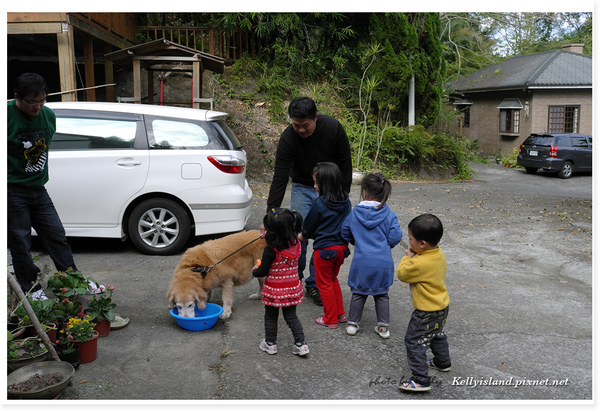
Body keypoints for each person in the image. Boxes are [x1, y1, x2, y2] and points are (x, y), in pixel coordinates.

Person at [266, 97, 352, 306]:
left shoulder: (333, 128)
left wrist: (343, 195)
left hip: (331, 189)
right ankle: (294, 279)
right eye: (296, 125)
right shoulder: (289, 138)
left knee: (327, 239)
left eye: (305, 125)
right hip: (303, 187)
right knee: (299, 236)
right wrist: (271, 215)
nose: (301, 130)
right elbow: (280, 176)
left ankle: (315, 285)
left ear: (315, 117)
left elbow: (345, 163)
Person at [7, 72, 78, 298]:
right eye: (32, 102)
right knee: (20, 242)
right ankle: (31, 289)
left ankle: (72, 280)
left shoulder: (48, 115)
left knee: (57, 235)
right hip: (11, 190)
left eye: (42, 100)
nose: (38, 106)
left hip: (39, 189)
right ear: (17, 97)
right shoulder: (6, 116)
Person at [340, 173, 403, 338]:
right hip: (383, 262)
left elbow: (344, 231)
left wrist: (357, 241)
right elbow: (396, 236)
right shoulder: (389, 214)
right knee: (382, 294)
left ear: (364, 192)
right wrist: (385, 245)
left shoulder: (355, 213)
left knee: (359, 293)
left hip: (361, 261)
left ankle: (353, 324)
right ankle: (383, 327)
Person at [396, 214, 451, 392]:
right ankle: (442, 362)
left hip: (425, 311)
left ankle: (420, 379)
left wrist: (408, 257)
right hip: (441, 306)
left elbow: (402, 274)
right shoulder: (438, 253)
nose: (408, 242)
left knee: (414, 341)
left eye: (410, 239)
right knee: (436, 334)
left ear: (422, 244)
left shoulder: (418, 263)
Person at [298, 162, 351, 329]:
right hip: (341, 250)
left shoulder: (320, 204)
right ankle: (340, 314)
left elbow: (309, 226)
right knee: (333, 280)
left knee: (324, 284)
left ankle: (330, 319)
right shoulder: (346, 202)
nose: (314, 186)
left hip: (325, 251)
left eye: (316, 183)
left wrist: (303, 235)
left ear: (325, 184)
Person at [252, 207, 309, 356]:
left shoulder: (270, 250)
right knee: (291, 317)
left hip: (274, 290)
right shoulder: (296, 244)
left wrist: (254, 269)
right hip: (292, 288)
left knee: (271, 317)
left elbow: (263, 271)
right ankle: (301, 345)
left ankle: (270, 344)